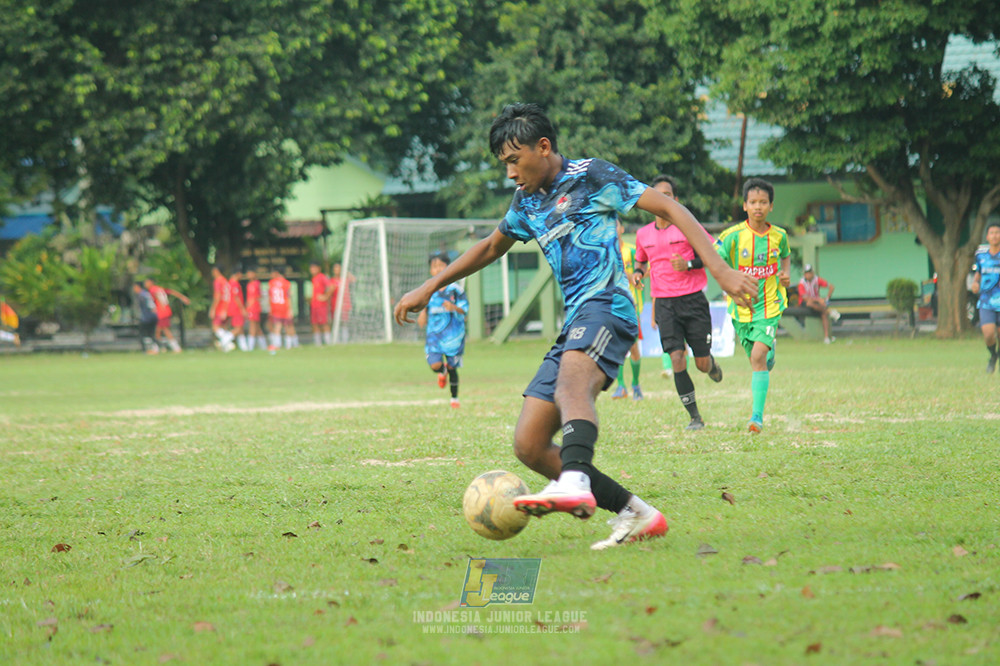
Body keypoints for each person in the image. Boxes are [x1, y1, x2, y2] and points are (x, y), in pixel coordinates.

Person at [394, 103, 757, 550]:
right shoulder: (525, 200)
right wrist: (430, 286)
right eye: (503, 163)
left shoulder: (593, 175)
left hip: (609, 307)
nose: (509, 173)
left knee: (571, 387)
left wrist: (719, 270)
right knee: (528, 443)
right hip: (577, 320)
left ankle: (574, 479)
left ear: (543, 147)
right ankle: (635, 512)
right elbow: (491, 247)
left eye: (514, 159)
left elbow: (668, 207)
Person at [633, 175, 723, 431]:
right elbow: (640, 260)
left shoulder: (687, 226)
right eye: (657, 195)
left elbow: (713, 252)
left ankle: (711, 364)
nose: (663, 200)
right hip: (664, 304)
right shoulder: (643, 234)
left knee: (701, 363)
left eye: (668, 195)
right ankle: (695, 417)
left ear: (675, 200)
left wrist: (690, 264)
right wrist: (638, 274)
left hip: (693, 300)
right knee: (676, 359)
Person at [716, 178, 791, 434]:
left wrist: (785, 274)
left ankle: (756, 418)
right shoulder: (732, 237)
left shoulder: (779, 236)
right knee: (757, 360)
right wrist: (730, 290)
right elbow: (715, 261)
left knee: (758, 357)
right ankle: (768, 357)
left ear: (771, 206)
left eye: (763, 202)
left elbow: (785, 256)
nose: (758, 206)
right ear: (745, 205)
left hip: (769, 306)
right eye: (753, 202)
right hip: (740, 309)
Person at [417, 252, 468, 408]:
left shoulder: (455, 290)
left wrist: (453, 307)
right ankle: (441, 371)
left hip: (454, 335)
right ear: (430, 270)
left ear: (448, 267)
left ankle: (454, 399)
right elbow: (423, 305)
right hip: (435, 335)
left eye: (441, 266)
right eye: (434, 266)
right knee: (434, 364)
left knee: (453, 367)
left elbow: (465, 310)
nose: (438, 269)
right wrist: (422, 314)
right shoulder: (428, 288)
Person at [611, 219, 643, 400]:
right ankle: (621, 386)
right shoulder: (605, 253)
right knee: (618, 347)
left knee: (633, 347)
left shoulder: (631, 251)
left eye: (615, 224)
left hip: (632, 305)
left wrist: (635, 278)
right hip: (613, 305)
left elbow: (644, 270)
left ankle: (636, 384)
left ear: (622, 228)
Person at [971, 222, 1000, 373]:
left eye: (998, 232)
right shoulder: (981, 256)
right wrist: (976, 283)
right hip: (986, 301)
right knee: (988, 335)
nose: (995, 235)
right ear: (988, 236)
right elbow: (978, 274)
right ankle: (993, 356)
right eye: (992, 233)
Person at [144, 278, 190, 353]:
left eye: (146, 282)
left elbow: (158, 297)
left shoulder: (153, 289)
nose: (145, 284)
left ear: (151, 282)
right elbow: (171, 291)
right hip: (165, 311)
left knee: (163, 330)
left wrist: (159, 306)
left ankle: (173, 348)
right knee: (160, 330)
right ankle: (159, 348)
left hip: (162, 312)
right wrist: (183, 297)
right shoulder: (159, 289)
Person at [797, 263, 838, 344]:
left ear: (812, 273)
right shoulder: (802, 283)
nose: (808, 275)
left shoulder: (817, 280)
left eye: (809, 272)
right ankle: (830, 312)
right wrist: (819, 300)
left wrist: (827, 298)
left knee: (823, 313)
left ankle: (826, 337)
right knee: (810, 303)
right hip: (805, 303)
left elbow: (831, 286)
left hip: (816, 303)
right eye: (806, 273)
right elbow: (805, 298)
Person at [267, 266, 297, 351]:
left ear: (276, 273)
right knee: (288, 326)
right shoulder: (287, 283)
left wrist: (270, 308)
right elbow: (288, 297)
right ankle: (289, 345)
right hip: (285, 307)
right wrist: (290, 309)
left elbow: (270, 297)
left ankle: (277, 344)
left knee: (277, 326)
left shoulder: (271, 283)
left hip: (276, 307)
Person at [209, 266, 235, 352]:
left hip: (220, 307)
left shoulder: (218, 281)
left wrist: (213, 309)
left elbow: (218, 296)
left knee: (215, 327)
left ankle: (227, 341)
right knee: (223, 327)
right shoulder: (225, 281)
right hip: (227, 306)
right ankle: (226, 347)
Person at [133, 280, 160, 354]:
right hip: (153, 316)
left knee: (142, 333)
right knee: (151, 333)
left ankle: (145, 350)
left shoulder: (142, 295)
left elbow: (149, 306)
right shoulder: (146, 294)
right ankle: (155, 348)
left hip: (146, 317)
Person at [329, 262, 354, 342]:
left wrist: (346, 272)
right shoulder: (332, 281)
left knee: (344, 323)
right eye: (335, 269)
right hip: (335, 306)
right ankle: (337, 340)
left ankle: (345, 340)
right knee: (336, 323)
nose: (337, 270)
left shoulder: (345, 279)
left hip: (345, 306)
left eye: (338, 269)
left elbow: (353, 279)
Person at [308, 262, 331, 346]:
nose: (312, 270)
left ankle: (328, 342)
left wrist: (326, 296)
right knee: (314, 323)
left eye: (314, 268)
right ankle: (318, 343)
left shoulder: (322, 277)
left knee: (324, 323)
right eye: (311, 268)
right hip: (314, 305)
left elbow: (331, 286)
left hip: (321, 305)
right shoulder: (314, 278)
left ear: (319, 268)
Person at [243, 267, 266, 350]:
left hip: (254, 308)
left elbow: (258, 296)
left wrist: (249, 306)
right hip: (250, 308)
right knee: (257, 328)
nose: (248, 275)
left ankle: (250, 346)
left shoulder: (256, 283)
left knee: (252, 326)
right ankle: (263, 346)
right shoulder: (249, 284)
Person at [227, 270, 248, 351]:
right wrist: (242, 309)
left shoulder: (229, 283)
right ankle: (224, 340)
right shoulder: (234, 284)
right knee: (238, 328)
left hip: (231, 307)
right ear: (238, 274)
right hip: (236, 309)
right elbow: (236, 297)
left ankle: (244, 347)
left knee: (240, 328)